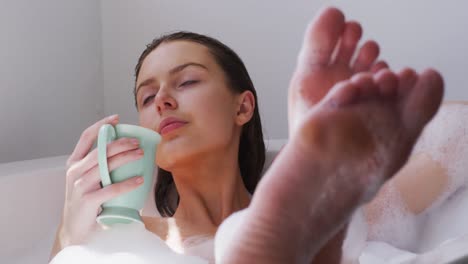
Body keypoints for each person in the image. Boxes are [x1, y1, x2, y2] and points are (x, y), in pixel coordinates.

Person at [49, 6, 444, 263]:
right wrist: (69, 231)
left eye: (185, 82)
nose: (162, 101)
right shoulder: (133, 240)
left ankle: (316, 238)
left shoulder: (360, 207)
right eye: (147, 96)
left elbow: (457, 130)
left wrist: (364, 154)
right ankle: (314, 245)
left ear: (243, 107)